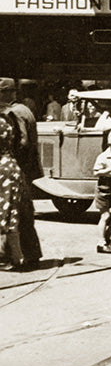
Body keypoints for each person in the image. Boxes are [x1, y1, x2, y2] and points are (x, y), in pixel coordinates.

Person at [0, 78, 41, 270]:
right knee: (23, 213)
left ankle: (14, 257)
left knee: (14, 214)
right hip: (24, 168)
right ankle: (31, 254)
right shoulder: (25, 109)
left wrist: (10, 155)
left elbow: (23, 141)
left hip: (17, 168)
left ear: (7, 94)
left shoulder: (13, 112)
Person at [0, 116, 32, 270]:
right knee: (9, 212)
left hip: (4, 171)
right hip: (9, 168)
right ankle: (16, 256)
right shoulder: (5, 119)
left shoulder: (2, 122)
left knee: (7, 213)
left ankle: (17, 257)